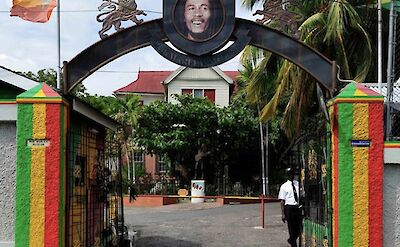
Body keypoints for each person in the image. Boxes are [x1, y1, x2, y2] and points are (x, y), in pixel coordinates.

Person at [278, 168, 302, 247]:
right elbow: (282, 201)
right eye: (288, 174)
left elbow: (301, 195)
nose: (290, 175)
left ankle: (291, 240)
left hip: (297, 207)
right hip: (289, 208)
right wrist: (283, 214)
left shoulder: (297, 184)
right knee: (291, 229)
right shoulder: (284, 186)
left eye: (291, 174)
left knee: (299, 229)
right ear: (287, 175)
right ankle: (293, 244)